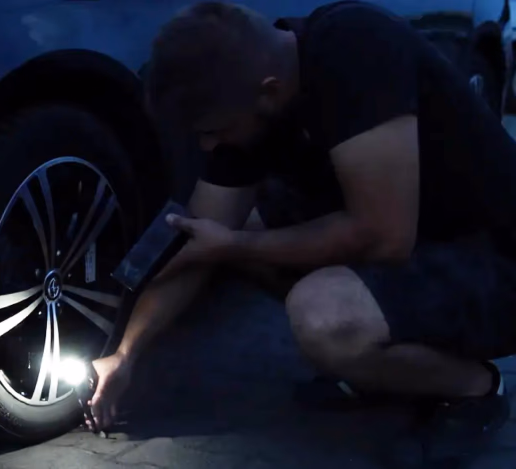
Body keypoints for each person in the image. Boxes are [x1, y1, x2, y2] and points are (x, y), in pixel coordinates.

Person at [87, 0, 516, 461]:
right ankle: (385, 368)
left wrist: (234, 245)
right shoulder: (247, 97)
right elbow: (194, 238)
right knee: (240, 230)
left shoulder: (356, 51)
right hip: (420, 239)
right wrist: (125, 355)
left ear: (268, 93)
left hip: (494, 258)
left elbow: (385, 235)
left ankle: (473, 387)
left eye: (213, 131)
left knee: (323, 317)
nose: (208, 146)